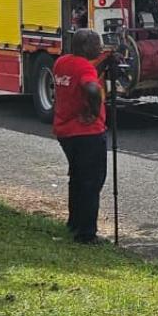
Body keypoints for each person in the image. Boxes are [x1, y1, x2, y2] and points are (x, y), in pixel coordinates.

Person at [52, 29, 107, 244]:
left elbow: (84, 76)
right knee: (92, 182)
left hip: (66, 131)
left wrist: (104, 64)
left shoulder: (62, 62)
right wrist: (94, 112)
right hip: (87, 133)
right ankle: (87, 233)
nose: (100, 48)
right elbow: (92, 88)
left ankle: (74, 222)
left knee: (76, 178)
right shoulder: (84, 67)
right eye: (97, 45)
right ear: (85, 47)